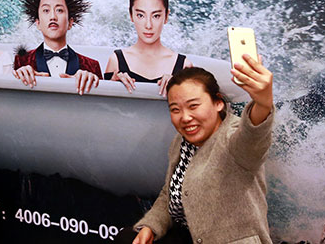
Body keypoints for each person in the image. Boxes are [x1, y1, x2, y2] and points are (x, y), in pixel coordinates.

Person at [114, 55, 275, 244]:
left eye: (193, 106)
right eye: (175, 109)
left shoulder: (232, 137)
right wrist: (150, 226)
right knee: (127, 238)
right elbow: (170, 193)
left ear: (218, 103)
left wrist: (262, 103)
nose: (185, 117)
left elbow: (252, 137)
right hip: (188, 235)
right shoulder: (181, 142)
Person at [104, 0, 191, 96]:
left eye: (156, 16)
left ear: (166, 16)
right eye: (140, 15)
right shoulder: (116, 61)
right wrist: (112, 85)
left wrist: (178, 86)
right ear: (131, 15)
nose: (148, 25)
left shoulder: (183, 65)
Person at [13, 0, 102, 95]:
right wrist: (18, 77)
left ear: (70, 22)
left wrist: (93, 82)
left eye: (59, 10)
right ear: (37, 22)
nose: (53, 17)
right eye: (46, 10)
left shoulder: (91, 66)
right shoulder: (22, 62)